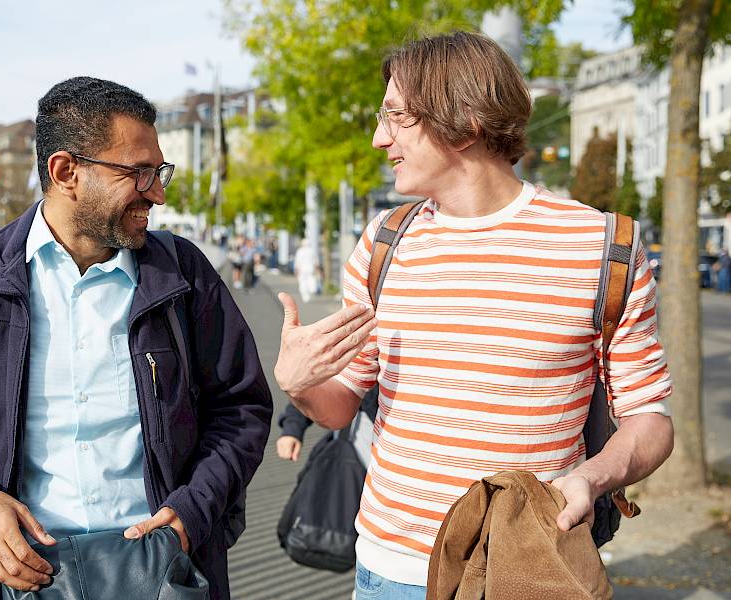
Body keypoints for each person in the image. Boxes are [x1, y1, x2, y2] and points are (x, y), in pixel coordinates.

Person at [274, 32, 674, 599]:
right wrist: (298, 384)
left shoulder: (604, 246)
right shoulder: (385, 243)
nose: (378, 137)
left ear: (463, 119)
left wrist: (590, 478)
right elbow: (341, 407)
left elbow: (651, 420)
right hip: (390, 570)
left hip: (527, 568)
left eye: (394, 116)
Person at [0, 76, 272, 600]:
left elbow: (241, 409)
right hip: (11, 581)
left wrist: (192, 514)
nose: (158, 193)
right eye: (140, 173)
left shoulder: (184, 275)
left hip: (161, 575)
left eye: (160, 171)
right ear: (66, 172)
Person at [293, 237, 320, 303]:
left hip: (302, 269)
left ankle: (306, 297)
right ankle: (312, 289)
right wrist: (317, 270)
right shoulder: (312, 251)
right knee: (311, 279)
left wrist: (296, 271)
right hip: (310, 269)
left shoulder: (300, 251)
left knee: (303, 282)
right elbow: (316, 262)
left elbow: (297, 262)